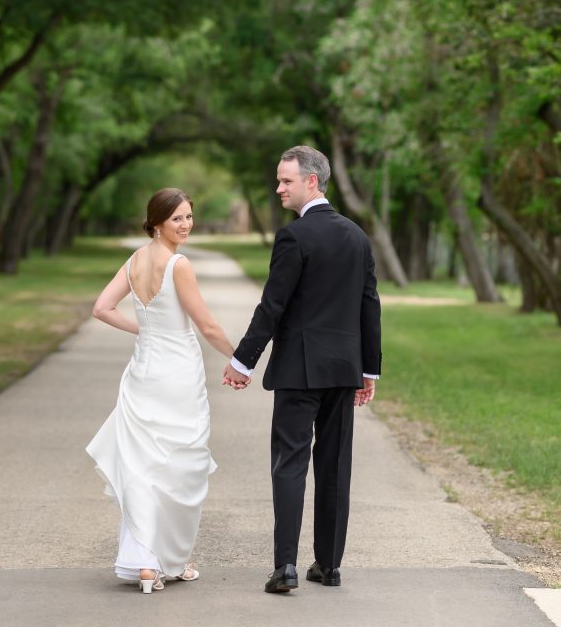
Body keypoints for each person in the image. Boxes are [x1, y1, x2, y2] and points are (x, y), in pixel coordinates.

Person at [223, 145, 381, 594]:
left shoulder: (294, 237)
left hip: (299, 371)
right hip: (344, 370)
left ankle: (286, 568)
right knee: (334, 467)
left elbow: (273, 306)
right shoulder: (357, 236)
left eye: (286, 180)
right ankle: (328, 567)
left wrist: (242, 361)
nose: (279, 188)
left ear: (312, 181)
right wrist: (369, 369)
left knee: (289, 465)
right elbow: (370, 307)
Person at [86, 187, 243, 594]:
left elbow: (102, 308)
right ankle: (166, 560)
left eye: (190, 216)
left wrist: (143, 328)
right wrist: (241, 358)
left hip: (143, 370)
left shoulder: (134, 260)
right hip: (176, 373)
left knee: (144, 464)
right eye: (177, 219)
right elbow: (207, 326)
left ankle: (145, 563)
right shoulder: (179, 264)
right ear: (157, 222)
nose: (186, 225)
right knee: (176, 466)